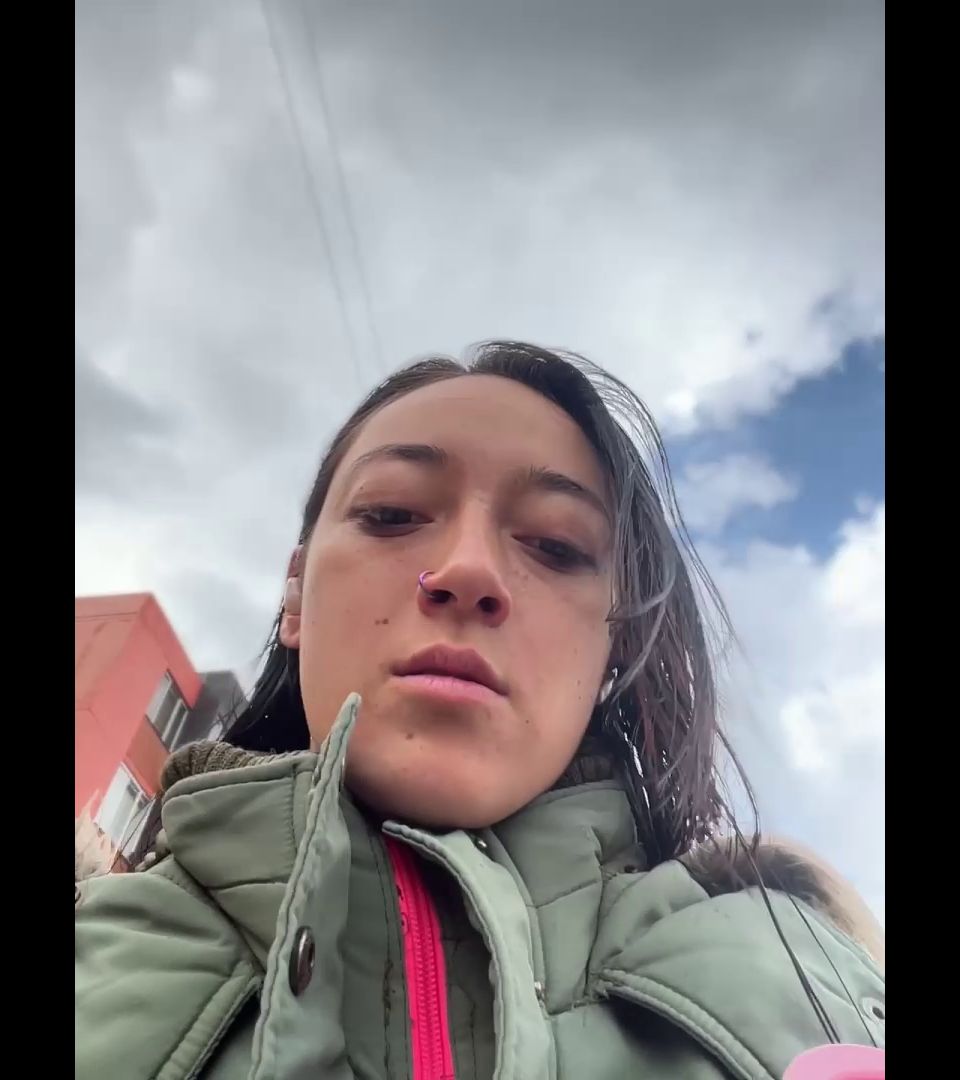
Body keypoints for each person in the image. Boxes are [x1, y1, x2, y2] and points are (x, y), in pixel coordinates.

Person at [75, 342, 884, 1080]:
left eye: (557, 546)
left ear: (616, 644)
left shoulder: (815, 994)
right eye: (392, 514)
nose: (468, 570)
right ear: (295, 595)